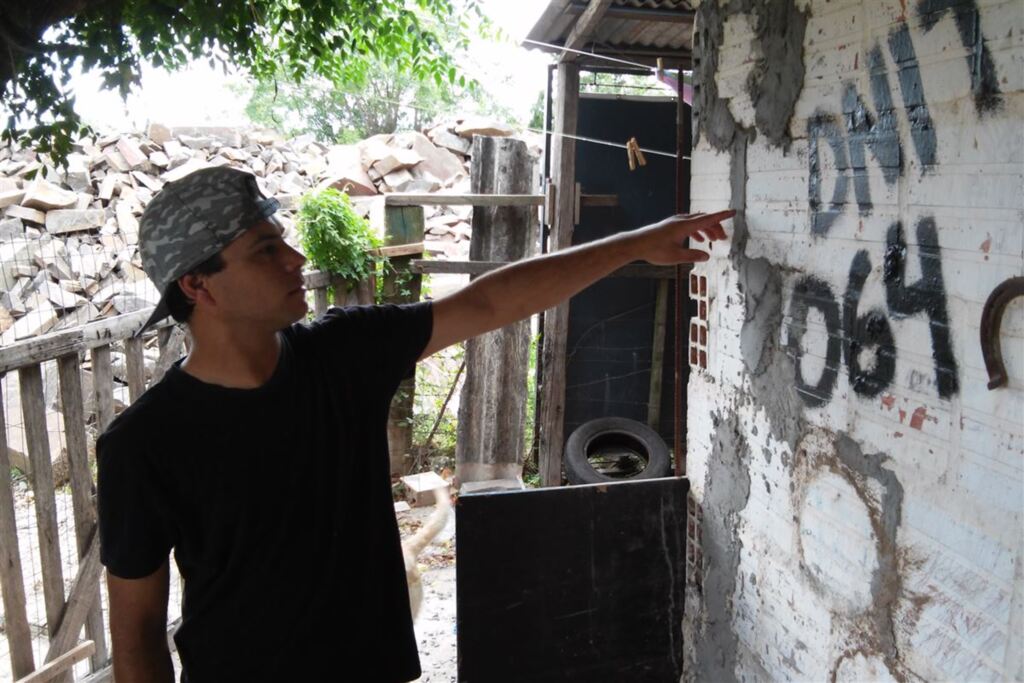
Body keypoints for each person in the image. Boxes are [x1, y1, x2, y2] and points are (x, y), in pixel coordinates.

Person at [97, 166, 732, 682]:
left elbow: (487, 300)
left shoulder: (342, 354)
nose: (294, 259)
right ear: (198, 286)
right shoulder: (144, 448)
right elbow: (138, 635)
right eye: (266, 249)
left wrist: (639, 243)